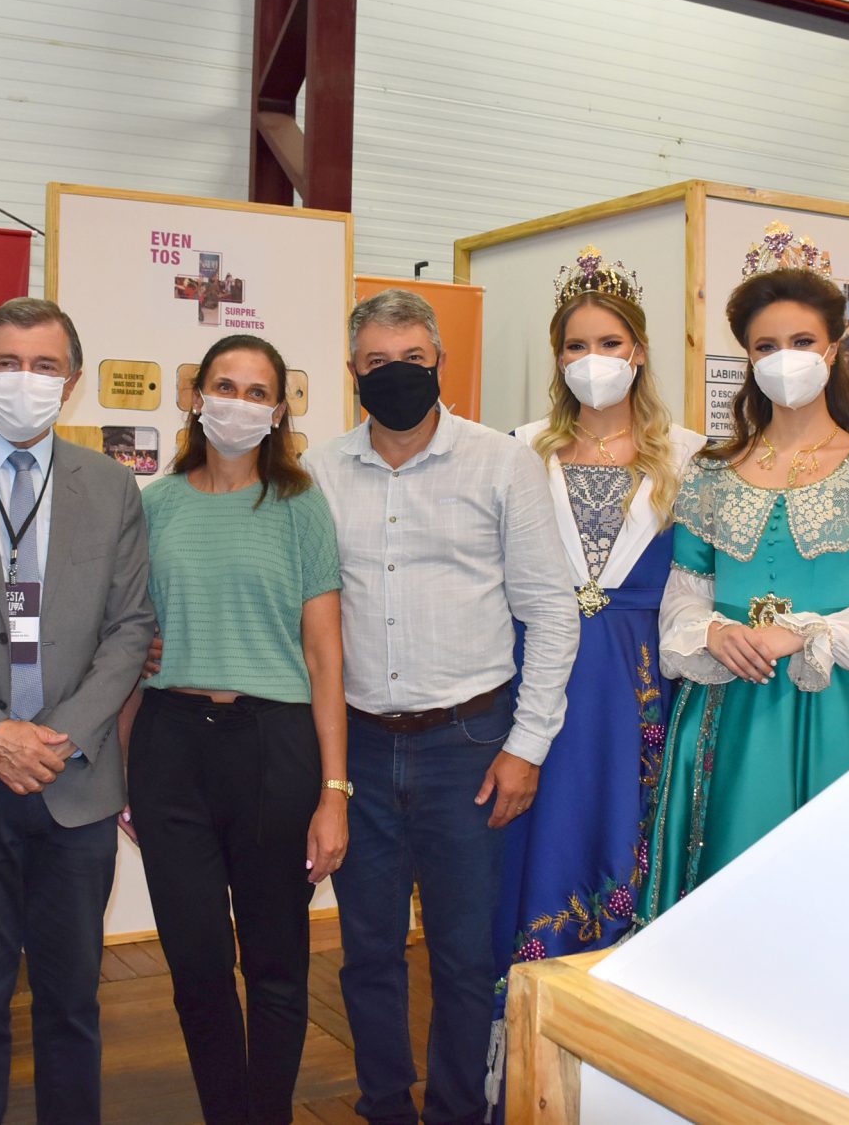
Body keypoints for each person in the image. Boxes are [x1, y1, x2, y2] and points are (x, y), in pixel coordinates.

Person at [306, 288, 579, 1125]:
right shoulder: (319, 471)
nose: (397, 374)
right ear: (352, 370)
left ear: (440, 364)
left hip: (470, 742)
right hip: (358, 745)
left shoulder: (503, 464)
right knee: (368, 951)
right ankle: (384, 1104)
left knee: (463, 954)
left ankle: (457, 1110)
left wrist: (527, 744)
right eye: (378, 362)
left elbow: (551, 608)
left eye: (413, 360)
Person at [0, 298, 154, 1125]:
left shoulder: (111, 485)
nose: (26, 380)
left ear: (72, 381)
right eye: (7, 363)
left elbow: (130, 628)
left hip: (73, 784)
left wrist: (62, 736)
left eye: (45, 366)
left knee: (72, 1001)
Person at [642, 224, 849, 918]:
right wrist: (712, 633)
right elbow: (683, 599)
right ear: (747, 357)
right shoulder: (710, 471)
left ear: (833, 348)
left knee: (833, 899)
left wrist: (806, 632)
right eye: (766, 346)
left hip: (835, 709)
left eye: (802, 341)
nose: (784, 358)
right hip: (724, 707)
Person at [132, 334, 348, 1125]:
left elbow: (325, 656)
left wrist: (334, 791)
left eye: (259, 392)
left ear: (279, 411)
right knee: (196, 964)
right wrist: (123, 769)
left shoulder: (300, 504)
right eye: (225, 385)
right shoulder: (154, 505)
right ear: (197, 396)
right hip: (170, 745)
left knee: (276, 962)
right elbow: (129, 638)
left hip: (273, 747)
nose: (239, 403)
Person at [495, 249, 701, 966]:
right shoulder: (521, 450)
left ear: (638, 351)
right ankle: (526, 989)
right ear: (558, 359)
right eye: (576, 346)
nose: (593, 360)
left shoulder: (689, 456)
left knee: (632, 821)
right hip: (539, 667)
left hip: (640, 676)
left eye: (609, 343)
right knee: (539, 822)